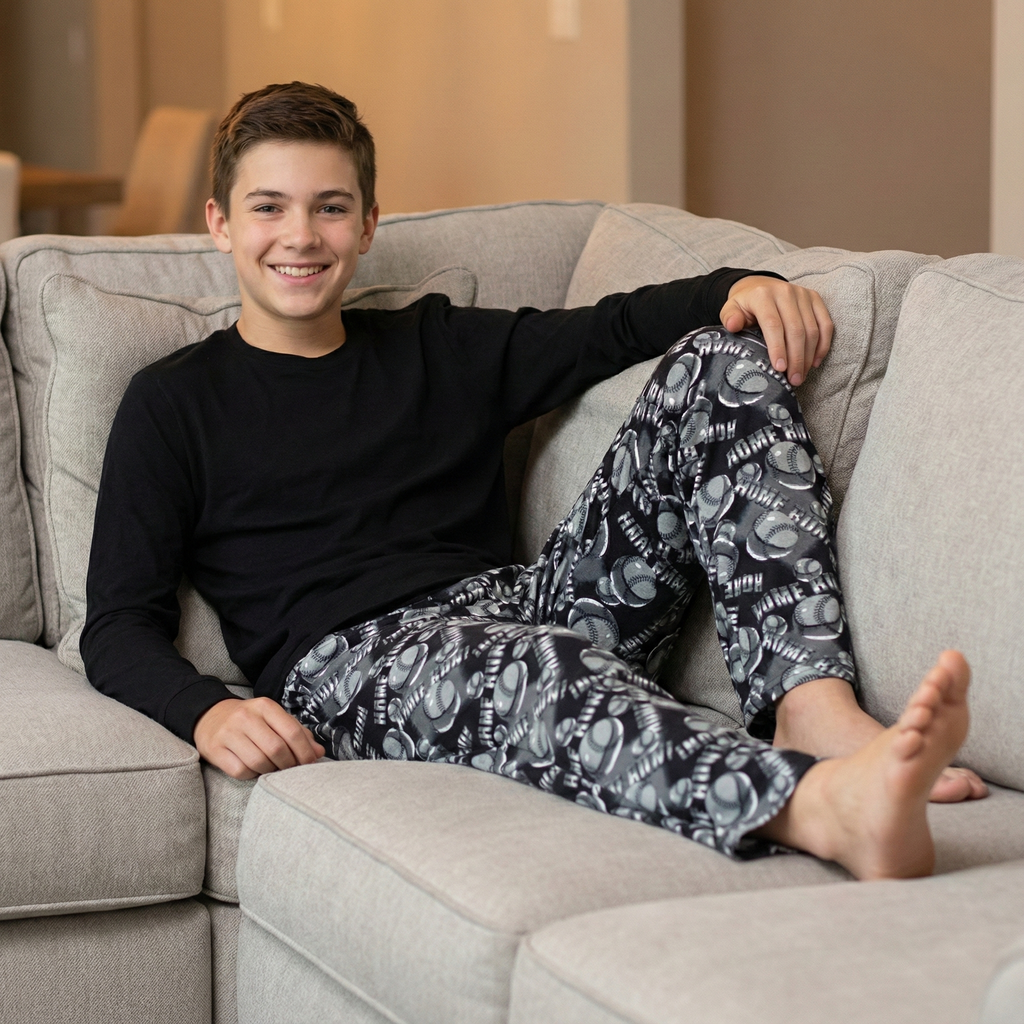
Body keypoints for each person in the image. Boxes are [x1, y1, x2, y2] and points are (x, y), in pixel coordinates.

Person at [82, 82, 986, 884]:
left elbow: (607, 330)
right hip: (353, 664)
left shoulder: (435, 344)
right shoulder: (172, 404)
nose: (299, 236)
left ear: (365, 224)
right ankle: (818, 809)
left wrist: (742, 284)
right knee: (536, 668)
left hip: (525, 607)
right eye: (269, 207)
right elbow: (118, 622)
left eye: (328, 208)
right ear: (220, 222)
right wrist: (203, 713)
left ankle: (810, 705)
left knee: (719, 359)